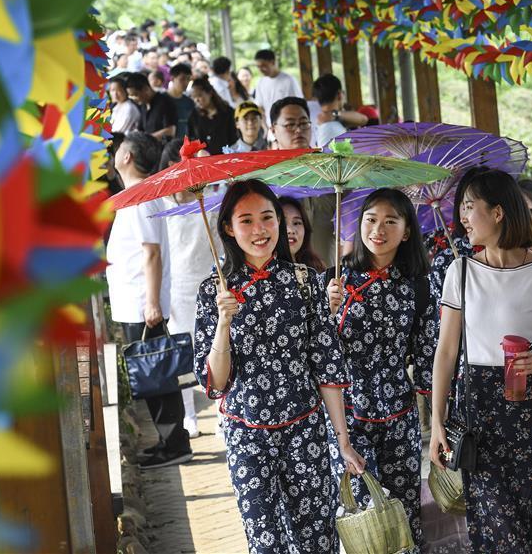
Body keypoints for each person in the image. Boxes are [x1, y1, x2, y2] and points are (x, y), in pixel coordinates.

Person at [193, 179, 365, 554]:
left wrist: (343, 441)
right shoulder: (214, 292)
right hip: (246, 434)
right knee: (265, 542)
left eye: (268, 218)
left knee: (318, 538)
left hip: (304, 430)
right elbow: (216, 382)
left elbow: (327, 366)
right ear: (228, 228)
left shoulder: (305, 283)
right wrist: (223, 323)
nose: (260, 230)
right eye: (247, 220)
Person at [430, 169, 532, 552]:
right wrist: (436, 424)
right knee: (497, 527)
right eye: (461, 208)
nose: (462, 217)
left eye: (470, 207)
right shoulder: (459, 271)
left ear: (498, 212)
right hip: (480, 414)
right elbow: (446, 353)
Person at [324, 188, 437, 549]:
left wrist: (438, 424)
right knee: (362, 515)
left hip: (399, 417)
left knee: (404, 511)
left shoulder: (419, 287)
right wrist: (327, 310)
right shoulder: (333, 281)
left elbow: (427, 358)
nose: (379, 229)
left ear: (406, 231)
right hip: (347, 418)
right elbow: (317, 352)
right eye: (371, 219)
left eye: (391, 221)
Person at [106, 132, 192, 469]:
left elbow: (151, 253)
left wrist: (153, 302)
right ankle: (170, 441)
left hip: (144, 304)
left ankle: (174, 444)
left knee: (156, 374)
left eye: (118, 148)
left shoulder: (141, 198)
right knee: (154, 374)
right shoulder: (136, 195)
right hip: (137, 301)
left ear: (127, 156)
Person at [157, 139, 223, 440]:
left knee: (217, 346)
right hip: (177, 288)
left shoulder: (211, 199)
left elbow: (222, 245)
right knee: (183, 352)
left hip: (207, 282)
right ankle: (189, 414)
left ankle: (223, 408)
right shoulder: (161, 205)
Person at [311, 73, 368, 147]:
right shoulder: (330, 126)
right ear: (339, 94)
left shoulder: (329, 119)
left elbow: (363, 119)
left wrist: (334, 114)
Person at [254, 49, 303, 129]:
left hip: (289, 126)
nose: (261, 69)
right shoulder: (260, 82)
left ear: (273, 62)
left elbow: (299, 104)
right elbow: (260, 107)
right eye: (258, 67)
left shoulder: (289, 80)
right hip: (271, 128)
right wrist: (265, 127)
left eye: (263, 66)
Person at [188, 78, 236, 155]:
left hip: (226, 158)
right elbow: (191, 140)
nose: (196, 100)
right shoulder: (194, 115)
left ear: (210, 93)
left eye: (199, 95)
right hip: (203, 160)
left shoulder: (228, 112)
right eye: (193, 97)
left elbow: (234, 139)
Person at [279, 196, 325, 272]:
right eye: (283, 224)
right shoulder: (265, 273)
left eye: (297, 223)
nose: (291, 230)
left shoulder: (317, 268)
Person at [125, 72, 177, 140]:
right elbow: (140, 129)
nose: (133, 99)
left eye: (135, 95)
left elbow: (170, 131)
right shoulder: (143, 105)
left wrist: (147, 139)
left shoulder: (165, 102)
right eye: (131, 96)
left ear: (146, 89)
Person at [167, 63, 195, 140]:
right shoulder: (162, 100)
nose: (186, 82)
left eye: (188, 79)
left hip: (184, 145)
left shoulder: (189, 102)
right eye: (182, 79)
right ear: (172, 79)